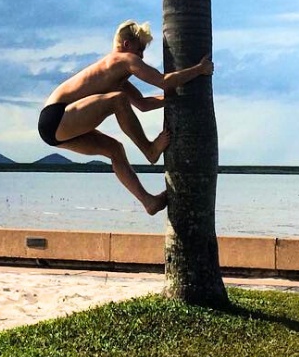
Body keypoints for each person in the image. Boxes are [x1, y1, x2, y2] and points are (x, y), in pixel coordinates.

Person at [38, 20, 214, 215]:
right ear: (126, 45)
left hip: (53, 131)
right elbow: (163, 82)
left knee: (115, 149)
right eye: (139, 50)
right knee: (118, 100)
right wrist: (199, 69)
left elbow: (143, 104)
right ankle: (150, 150)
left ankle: (149, 202)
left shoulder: (116, 77)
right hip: (56, 115)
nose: (141, 56)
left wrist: (175, 100)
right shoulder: (121, 60)